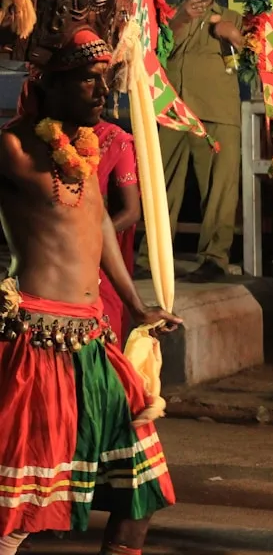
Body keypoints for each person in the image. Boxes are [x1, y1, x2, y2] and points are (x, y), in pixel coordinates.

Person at [0, 29, 182, 555]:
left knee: (139, 493)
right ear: (51, 85)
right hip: (38, 343)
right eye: (87, 81)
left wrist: (137, 304)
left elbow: (100, 223)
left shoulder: (86, 148)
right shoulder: (13, 146)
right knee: (20, 505)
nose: (102, 93)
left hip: (95, 343)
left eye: (103, 81)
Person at [154, 0, 244, 282]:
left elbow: (246, 57)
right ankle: (152, 259)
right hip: (172, 110)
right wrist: (180, 20)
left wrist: (232, 36)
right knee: (160, 185)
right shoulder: (169, 17)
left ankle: (214, 258)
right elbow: (158, 51)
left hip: (216, 112)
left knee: (218, 188)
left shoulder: (231, 16)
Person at [95, 117, 140, 343]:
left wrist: (89, 240)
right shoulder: (29, 140)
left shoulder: (115, 139)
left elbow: (131, 211)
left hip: (95, 255)